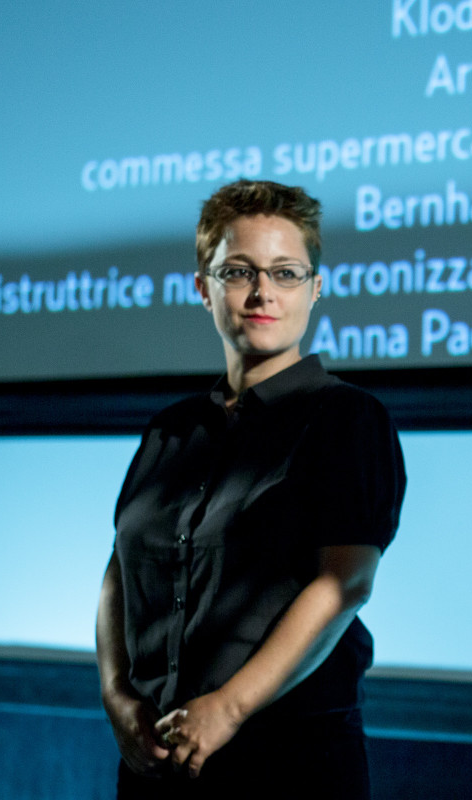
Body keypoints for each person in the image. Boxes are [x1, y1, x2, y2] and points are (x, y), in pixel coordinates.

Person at [95, 180, 406, 799]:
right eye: (239, 272)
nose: (263, 292)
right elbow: (118, 574)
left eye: (286, 273)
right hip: (156, 762)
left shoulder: (347, 419)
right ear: (203, 287)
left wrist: (228, 708)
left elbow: (345, 582)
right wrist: (117, 696)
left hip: (289, 762)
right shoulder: (170, 430)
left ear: (315, 288)